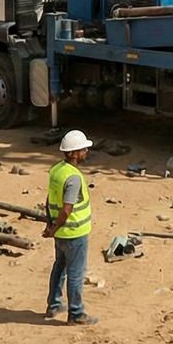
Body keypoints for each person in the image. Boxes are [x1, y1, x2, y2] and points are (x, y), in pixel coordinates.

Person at [43, 130, 99, 325]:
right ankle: (76, 314)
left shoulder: (57, 170)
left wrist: (50, 226)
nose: (86, 152)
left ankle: (54, 305)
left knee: (59, 267)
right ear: (73, 153)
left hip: (60, 233)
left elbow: (49, 199)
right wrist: (56, 225)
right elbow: (67, 209)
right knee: (75, 274)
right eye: (83, 149)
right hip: (75, 233)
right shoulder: (73, 178)